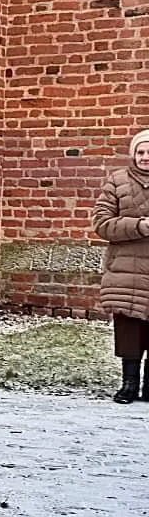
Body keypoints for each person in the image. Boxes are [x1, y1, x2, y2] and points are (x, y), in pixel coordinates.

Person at [93, 129, 149, 404]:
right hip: (125, 269)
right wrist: (139, 226)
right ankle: (128, 384)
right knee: (128, 328)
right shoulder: (117, 181)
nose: (145, 157)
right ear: (133, 154)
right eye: (140, 152)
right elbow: (102, 223)